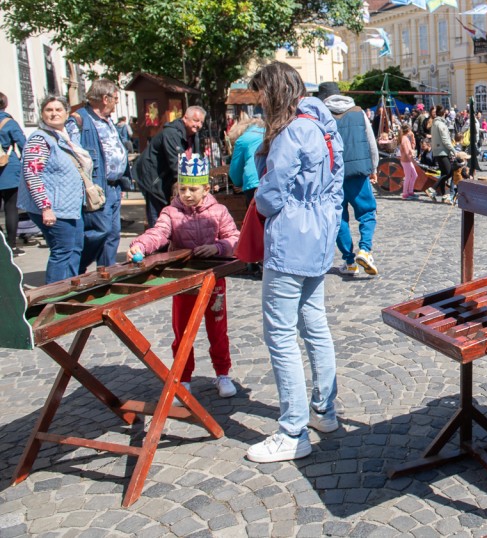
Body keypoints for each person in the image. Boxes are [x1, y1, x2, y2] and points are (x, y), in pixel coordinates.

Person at [245, 61, 345, 464]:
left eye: (261, 95)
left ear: (274, 92)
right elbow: (336, 185)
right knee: (314, 323)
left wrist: (265, 206)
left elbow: (270, 193)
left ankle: (292, 430)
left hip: (291, 238)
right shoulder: (323, 125)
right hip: (318, 234)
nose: (258, 103)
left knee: (281, 333)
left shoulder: (291, 131)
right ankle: (324, 409)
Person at [128, 152, 240, 399]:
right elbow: (158, 233)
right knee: (183, 332)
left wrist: (218, 247)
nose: (187, 194)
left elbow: (234, 238)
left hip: (213, 279)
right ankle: (184, 377)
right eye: (182, 189)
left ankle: (223, 373)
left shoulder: (219, 211)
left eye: (193, 189)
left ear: (206, 189)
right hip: (184, 281)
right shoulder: (170, 212)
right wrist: (141, 245)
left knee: (218, 329)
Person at [17, 96, 88, 283]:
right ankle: (54, 294)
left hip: (70, 207)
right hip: (54, 208)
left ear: (67, 113)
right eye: (49, 110)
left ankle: (71, 288)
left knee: (75, 248)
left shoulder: (64, 136)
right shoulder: (40, 139)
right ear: (42, 114)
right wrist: (45, 207)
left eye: (58, 109)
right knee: (62, 250)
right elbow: (32, 174)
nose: (54, 113)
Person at [66, 79, 128, 271]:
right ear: (105, 98)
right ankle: (75, 266)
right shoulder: (79, 120)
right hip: (97, 186)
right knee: (100, 230)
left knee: (113, 233)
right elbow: (73, 156)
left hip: (114, 185)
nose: (116, 102)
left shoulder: (107, 120)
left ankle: (106, 272)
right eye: (115, 98)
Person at [318, 83, 379, 277]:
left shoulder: (320, 115)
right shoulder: (358, 112)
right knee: (367, 212)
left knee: (339, 217)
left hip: (332, 174)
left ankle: (350, 261)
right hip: (358, 172)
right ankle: (365, 250)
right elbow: (371, 142)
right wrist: (374, 168)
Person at [135, 105, 206, 227]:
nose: (198, 125)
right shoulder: (171, 133)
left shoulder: (193, 135)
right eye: (195, 120)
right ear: (185, 118)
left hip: (166, 178)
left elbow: (196, 159)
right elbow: (177, 164)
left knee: (170, 216)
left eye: (201, 122)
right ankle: (157, 238)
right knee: (158, 218)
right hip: (154, 179)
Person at [0, 93, 27, 256]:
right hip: (8, 169)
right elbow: (24, 145)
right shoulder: (9, 123)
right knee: (11, 208)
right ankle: (11, 245)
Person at [228, 117, 266, 206]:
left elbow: (235, 175)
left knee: (254, 213)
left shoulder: (242, 140)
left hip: (253, 183)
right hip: (271, 179)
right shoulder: (269, 133)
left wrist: (239, 183)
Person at [426, 105, 457, 204]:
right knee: (449, 173)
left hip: (436, 151)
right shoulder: (441, 124)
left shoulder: (435, 123)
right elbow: (445, 140)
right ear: (444, 114)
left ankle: (444, 195)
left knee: (443, 173)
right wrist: (453, 150)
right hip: (442, 151)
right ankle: (432, 189)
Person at [399, 122, 418, 199]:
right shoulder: (405, 139)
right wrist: (413, 160)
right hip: (406, 160)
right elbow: (407, 152)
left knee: (414, 175)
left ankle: (410, 191)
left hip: (407, 160)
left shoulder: (405, 138)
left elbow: (412, 148)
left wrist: (413, 137)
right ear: (408, 130)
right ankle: (405, 193)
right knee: (408, 177)